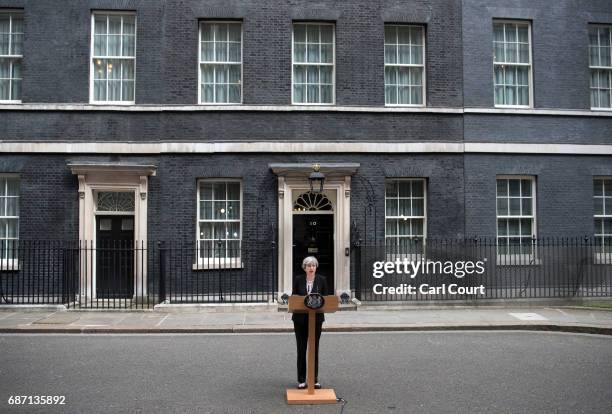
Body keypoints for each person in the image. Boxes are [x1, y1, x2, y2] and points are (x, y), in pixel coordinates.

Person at [292, 256, 329, 390]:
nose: (311, 268)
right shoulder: (298, 280)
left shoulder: (322, 280)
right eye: (308, 266)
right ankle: (302, 379)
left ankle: (314, 379)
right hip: (300, 320)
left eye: (313, 265)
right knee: (301, 349)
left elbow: (326, 299)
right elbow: (294, 298)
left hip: (316, 319)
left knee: (314, 349)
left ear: (316, 267)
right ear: (305, 268)